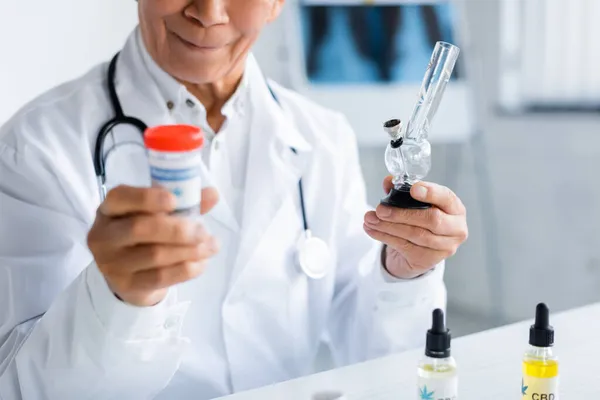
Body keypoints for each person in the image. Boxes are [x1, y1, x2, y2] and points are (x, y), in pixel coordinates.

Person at [0, 1, 468, 399]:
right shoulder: (38, 147)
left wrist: (404, 271)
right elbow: (19, 386)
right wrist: (118, 300)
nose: (208, 12)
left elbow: (374, 356)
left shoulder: (322, 136)